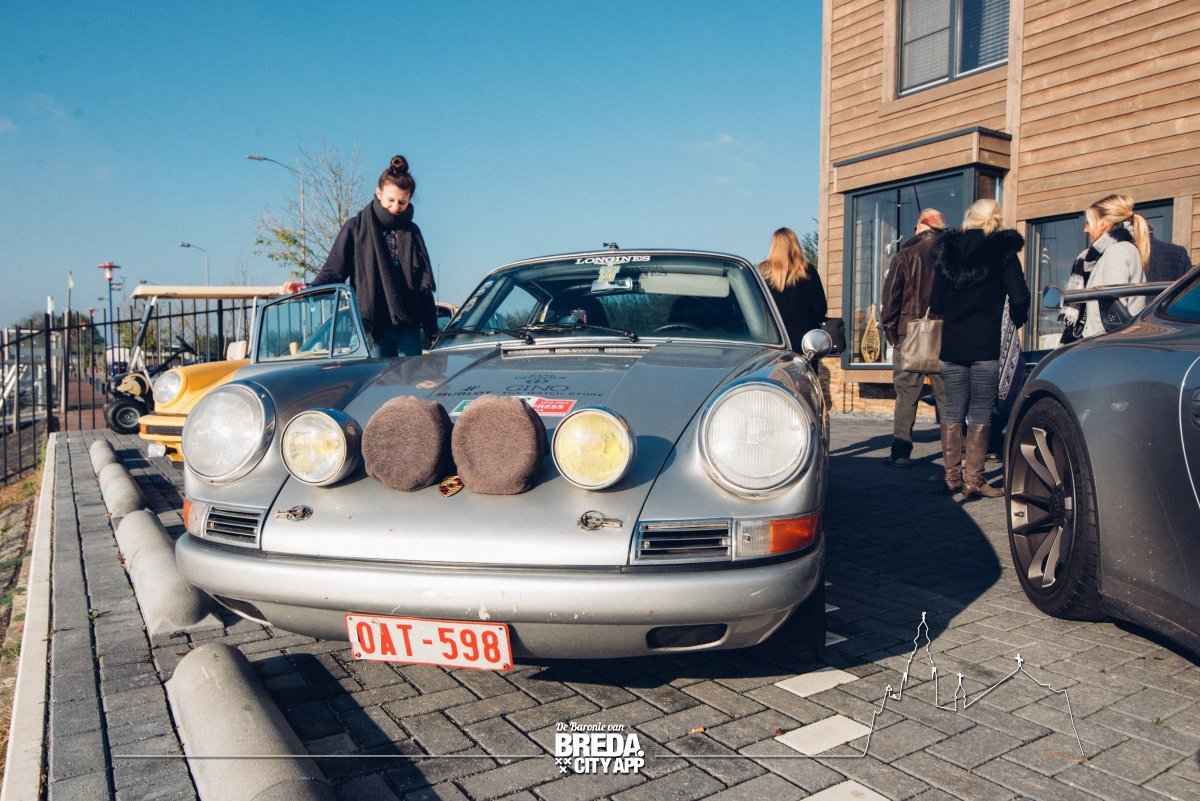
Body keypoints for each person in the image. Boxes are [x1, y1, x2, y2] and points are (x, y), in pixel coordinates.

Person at [283, 155, 438, 357]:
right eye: (390, 200)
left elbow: (423, 287)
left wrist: (432, 331)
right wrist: (308, 289)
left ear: (409, 199)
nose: (395, 207)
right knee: (372, 377)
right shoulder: (356, 228)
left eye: (402, 202)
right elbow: (334, 272)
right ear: (378, 193)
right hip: (373, 329)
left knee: (411, 378)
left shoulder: (412, 232)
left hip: (408, 329)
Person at [930, 199, 1030, 498]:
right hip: (986, 343)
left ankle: (951, 478)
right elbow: (1020, 297)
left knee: (952, 409)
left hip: (953, 344)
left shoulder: (947, 252)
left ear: (969, 218)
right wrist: (1017, 319)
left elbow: (936, 303)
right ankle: (974, 480)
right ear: (995, 220)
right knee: (981, 411)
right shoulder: (1003, 252)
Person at [880, 208, 948, 467]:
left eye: (916, 226)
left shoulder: (905, 256)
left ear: (922, 227)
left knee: (907, 395)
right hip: (944, 333)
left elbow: (891, 299)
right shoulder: (951, 256)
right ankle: (956, 452)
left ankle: (901, 453)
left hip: (908, 333)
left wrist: (891, 332)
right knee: (947, 396)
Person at [1061, 194, 1148, 340]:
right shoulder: (1108, 253)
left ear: (1104, 223)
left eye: (1089, 223)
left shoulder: (1117, 251)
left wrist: (1091, 341)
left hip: (1106, 343)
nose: (1085, 229)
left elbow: (1112, 313)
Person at [758, 227, 827, 350]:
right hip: (804, 343)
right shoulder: (807, 271)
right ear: (795, 245)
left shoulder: (762, 272)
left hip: (771, 342)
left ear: (774, 246)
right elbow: (820, 309)